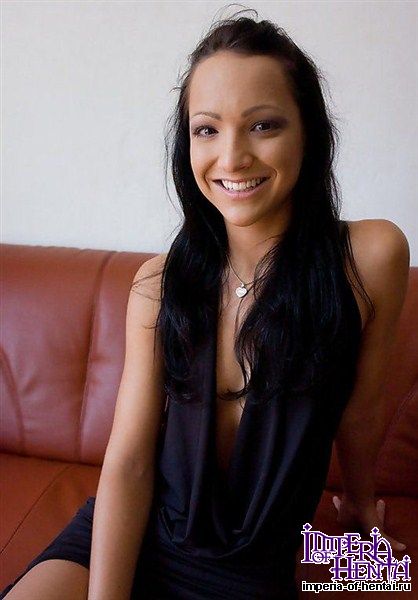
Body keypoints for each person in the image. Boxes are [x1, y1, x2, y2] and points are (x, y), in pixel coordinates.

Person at [1, 6, 410, 600]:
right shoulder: (158, 284)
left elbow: (362, 411)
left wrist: (360, 508)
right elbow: (129, 463)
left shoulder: (370, 256)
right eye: (207, 129)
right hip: (136, 533)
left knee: (375, 578)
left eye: (263, 125)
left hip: (252, 568)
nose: (232, 157)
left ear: (309, 132)